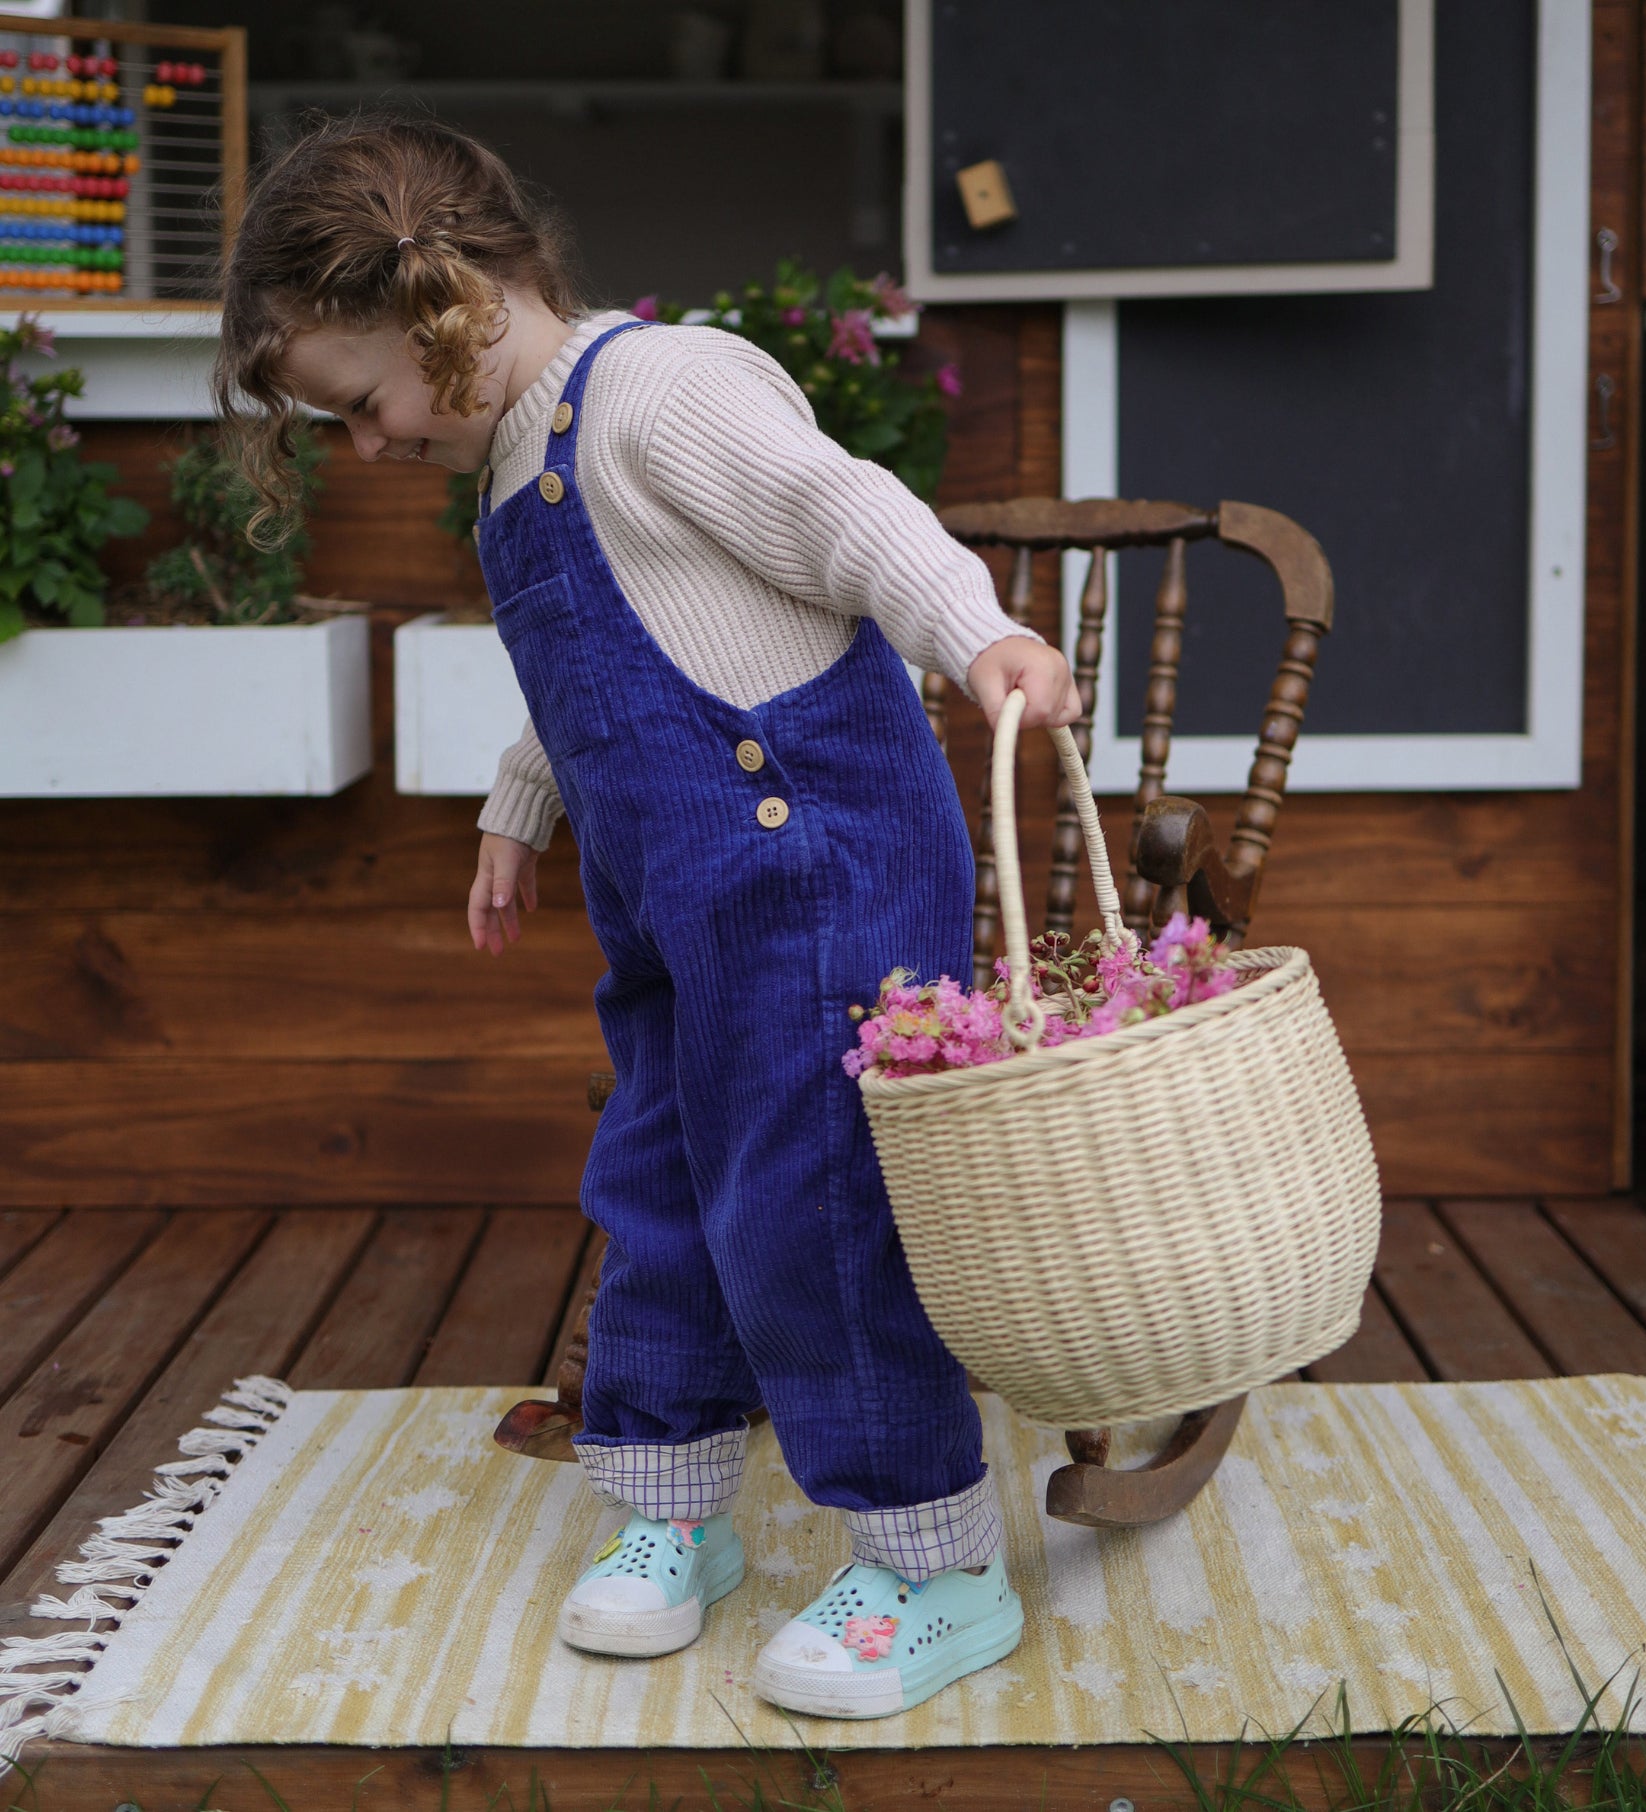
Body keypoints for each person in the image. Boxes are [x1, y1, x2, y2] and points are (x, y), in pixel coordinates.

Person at [216, 115, 1080, 1720]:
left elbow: (847, 514)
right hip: (681, 906)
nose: (368, 443)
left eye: (361, 402)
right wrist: (521, 800)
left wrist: (978, 633)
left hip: (817, 863)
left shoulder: (664, 397)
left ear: (441, 306)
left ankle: (934, 1555)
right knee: (665, 1176)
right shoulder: (515, 475)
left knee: (810, 1203)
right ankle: (676, 1510)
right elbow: (612, 662)